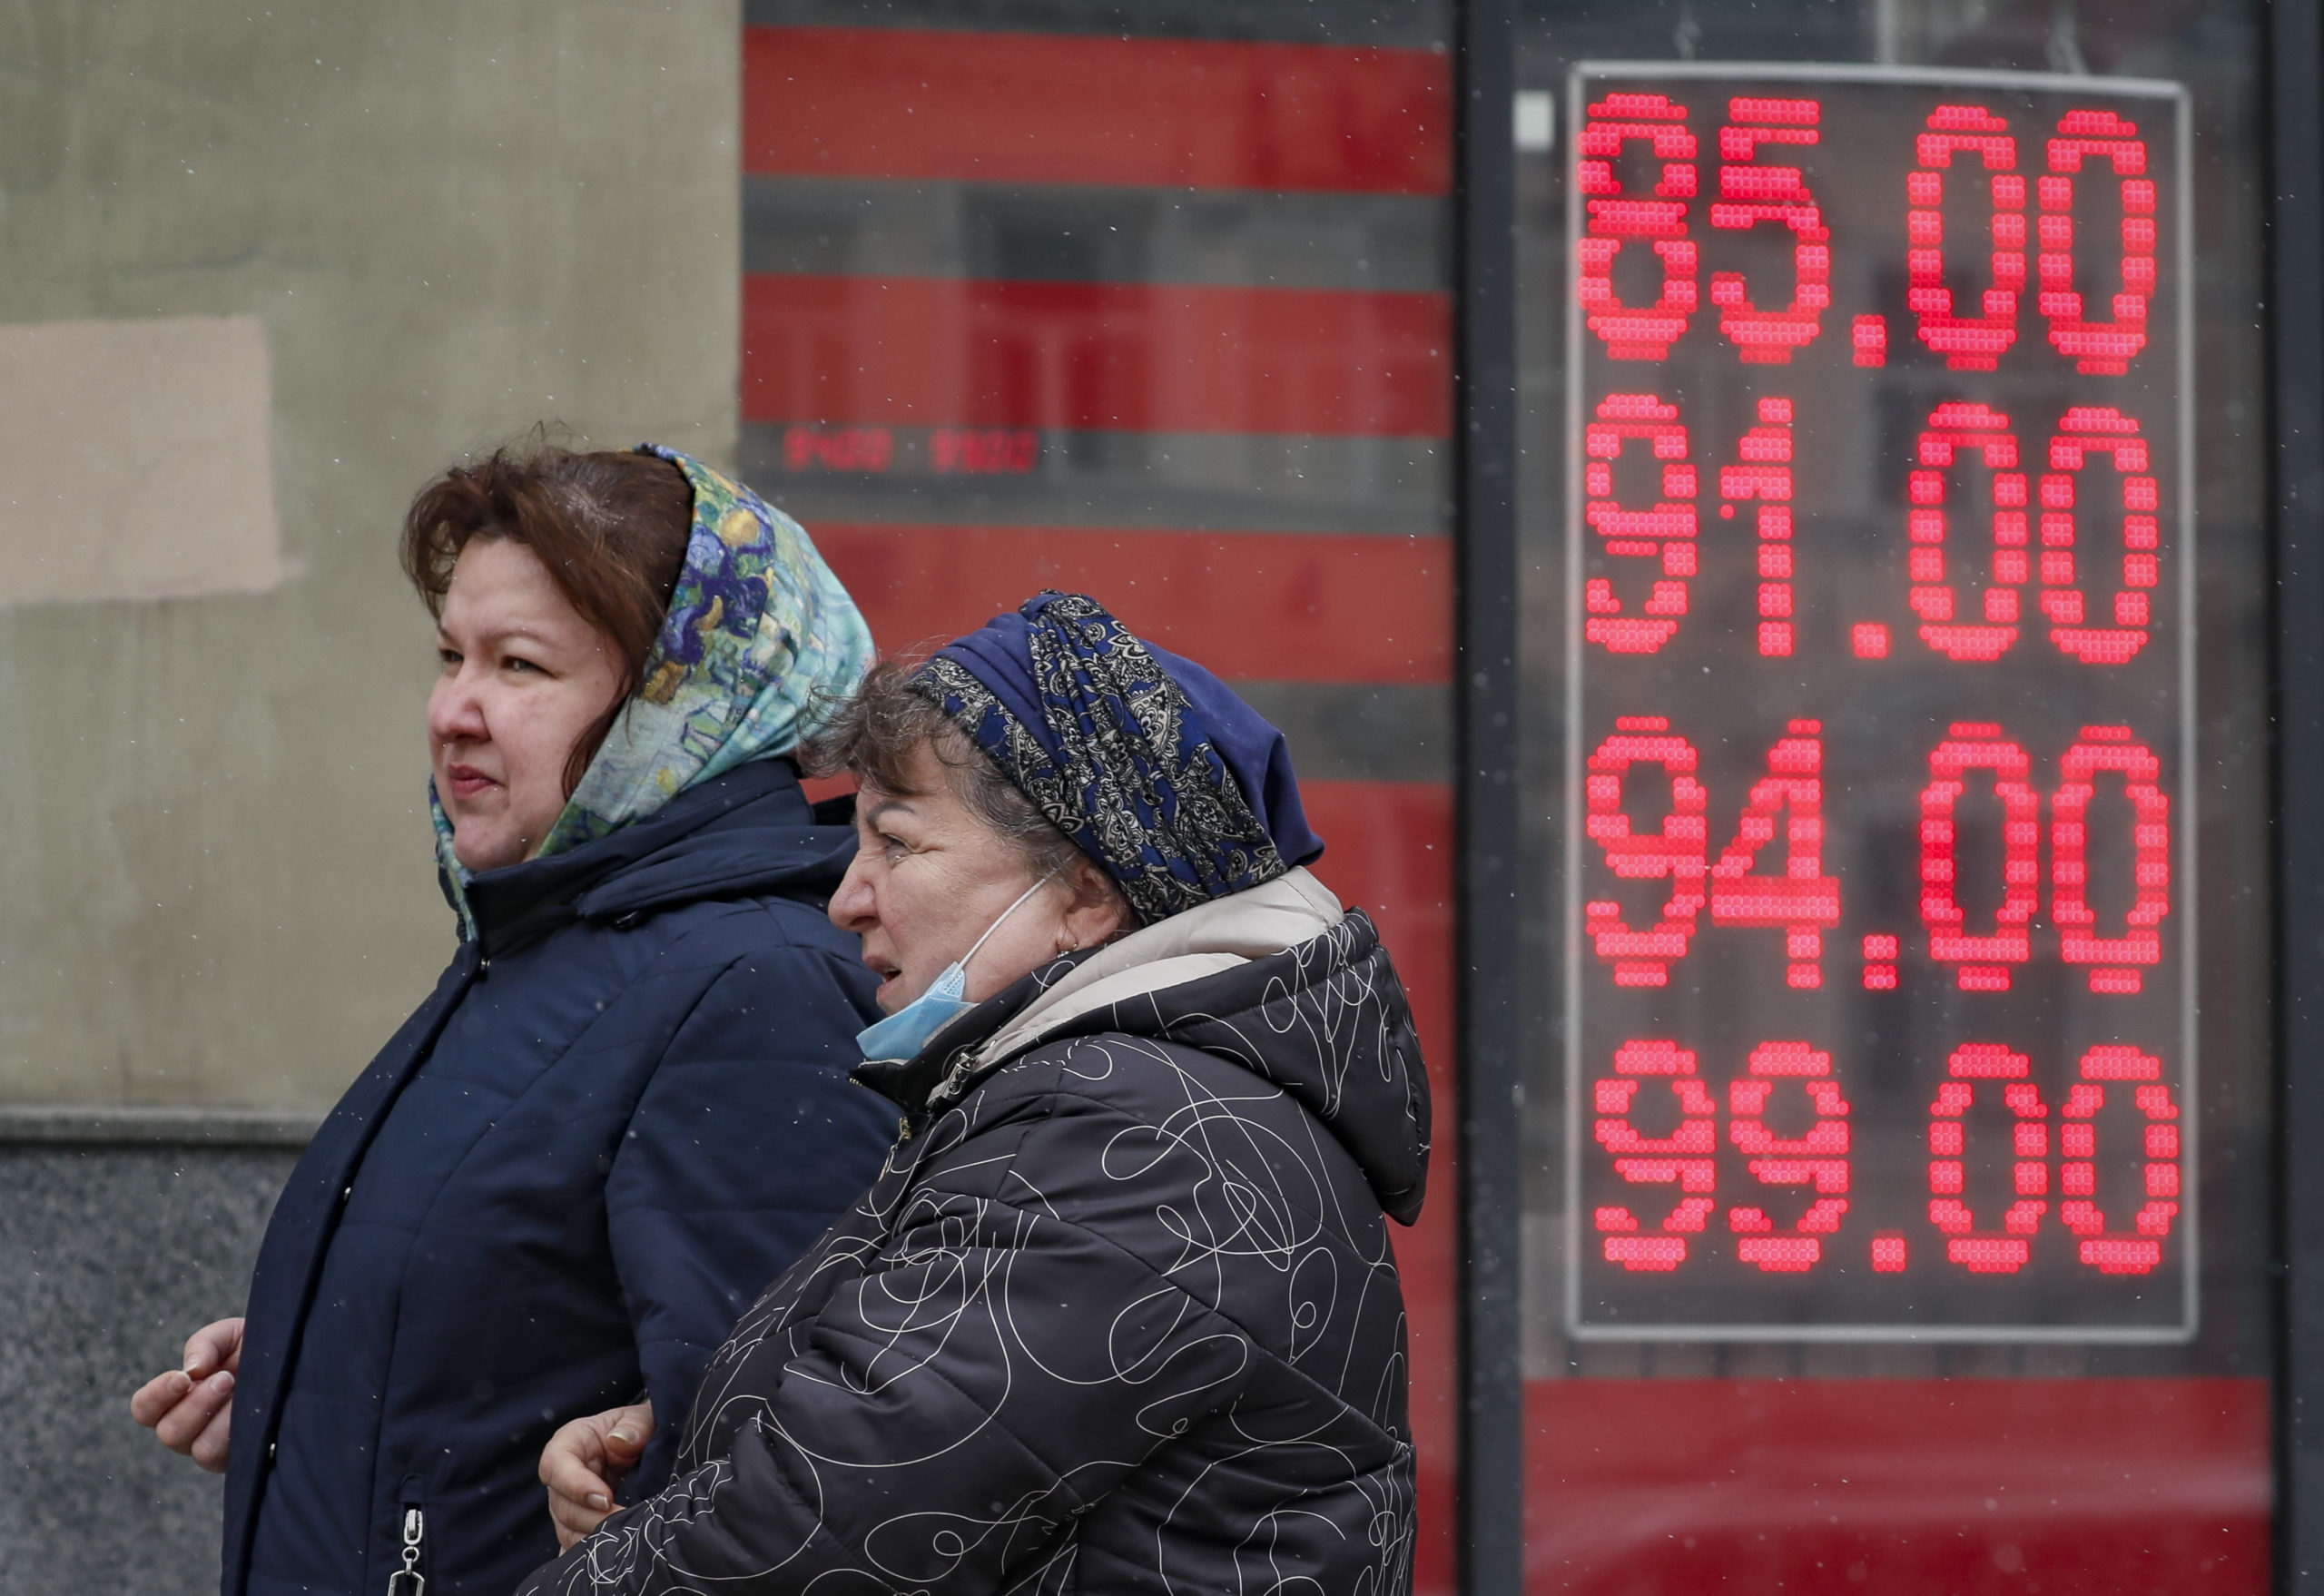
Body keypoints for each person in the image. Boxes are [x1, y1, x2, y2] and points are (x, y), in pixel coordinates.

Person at [521, 590, 1431, 1596]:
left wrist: (609, 1565)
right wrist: (683, 1447)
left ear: (1085, 892)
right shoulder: (1138, 1106)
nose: (844, 897)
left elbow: (808, 1535)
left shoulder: (1132, 1135)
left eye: (898, 843)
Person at [128, 442, 899, 1596]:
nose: (453, 711)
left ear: (681, 700)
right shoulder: (545, 936)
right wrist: (321, 1370)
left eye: (521, 667)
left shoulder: (757, 982)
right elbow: (536, 1324)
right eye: (449, 656)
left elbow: (762, 1482)